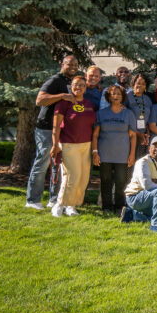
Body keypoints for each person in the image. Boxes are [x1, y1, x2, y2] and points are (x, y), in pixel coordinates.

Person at [26, 54, 79, 210]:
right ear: (62, 65)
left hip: (62, 128)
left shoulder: (71, 81)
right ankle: (32, 200)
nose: (73, 67)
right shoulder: (55, 80)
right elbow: (40, 100)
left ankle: (54, 199)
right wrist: (62, 96)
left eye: (75, 65)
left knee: (57, 164)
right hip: (46, 128)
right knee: (43, 162)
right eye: (70, 64)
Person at [50, 74, 97, 217]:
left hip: (86, 145)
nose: (79, 88)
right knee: (71, 176)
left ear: (85, 88)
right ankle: (59, 204)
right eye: (76, 85)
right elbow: (56, 126)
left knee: (83, 178)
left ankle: (71, 205)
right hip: (69, 144)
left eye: (82, 85)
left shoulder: (89, 104)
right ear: (71, 86)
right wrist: (55, 145)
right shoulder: (64, 103)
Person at [92, 84, 137, 212]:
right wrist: (95, 152)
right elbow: (95, 135)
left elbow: (133, 136)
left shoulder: (128, 114)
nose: (116, 96)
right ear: (108, 97)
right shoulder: (101, 113)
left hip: (122, 154)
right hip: (104, 153)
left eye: (119, 94)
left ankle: (119, 206)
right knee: (105, 180)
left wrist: (132, 154)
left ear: (123, 97)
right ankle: (106, 206)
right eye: (113, 94)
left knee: (121, 181)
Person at [120, 136, 157, 232]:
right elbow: (147, 185)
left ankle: (132, 214)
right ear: (149, 148)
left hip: (151, 196)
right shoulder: (143, 162)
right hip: (135, 196)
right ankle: (156, 227)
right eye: (155, 146)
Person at [126, 73, 154, 159]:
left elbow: (148, 120)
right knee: (130, 160)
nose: (140, 85)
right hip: (130, 135)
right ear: (133, 83)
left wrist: (147, 134)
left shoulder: (147, 99)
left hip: (143, 136)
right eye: (138, 83)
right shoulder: (127, 97)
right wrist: (138, 134)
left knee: (140, 161)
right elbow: (124, 117)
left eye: (143, 84)